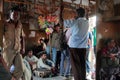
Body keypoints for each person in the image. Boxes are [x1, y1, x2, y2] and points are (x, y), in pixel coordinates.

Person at [64, 7, 89, 80]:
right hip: (83, 47)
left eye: (76, 13)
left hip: (74, 47)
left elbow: (65, 22)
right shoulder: (87, 22)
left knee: (75, 66)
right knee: (82, 64)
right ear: (84, 14)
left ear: (77, 14)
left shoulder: (75, 22)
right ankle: (83, 78)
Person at [2, 6, 25, 80]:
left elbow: (22, 37)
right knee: (6, 70)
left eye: (17, 14)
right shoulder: (5, 24)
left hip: (17, 50)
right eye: (14, 14)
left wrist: (23, 47)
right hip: (7, 50)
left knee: (20, 69)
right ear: (10, 14)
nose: (16, 16)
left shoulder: (20, 25)